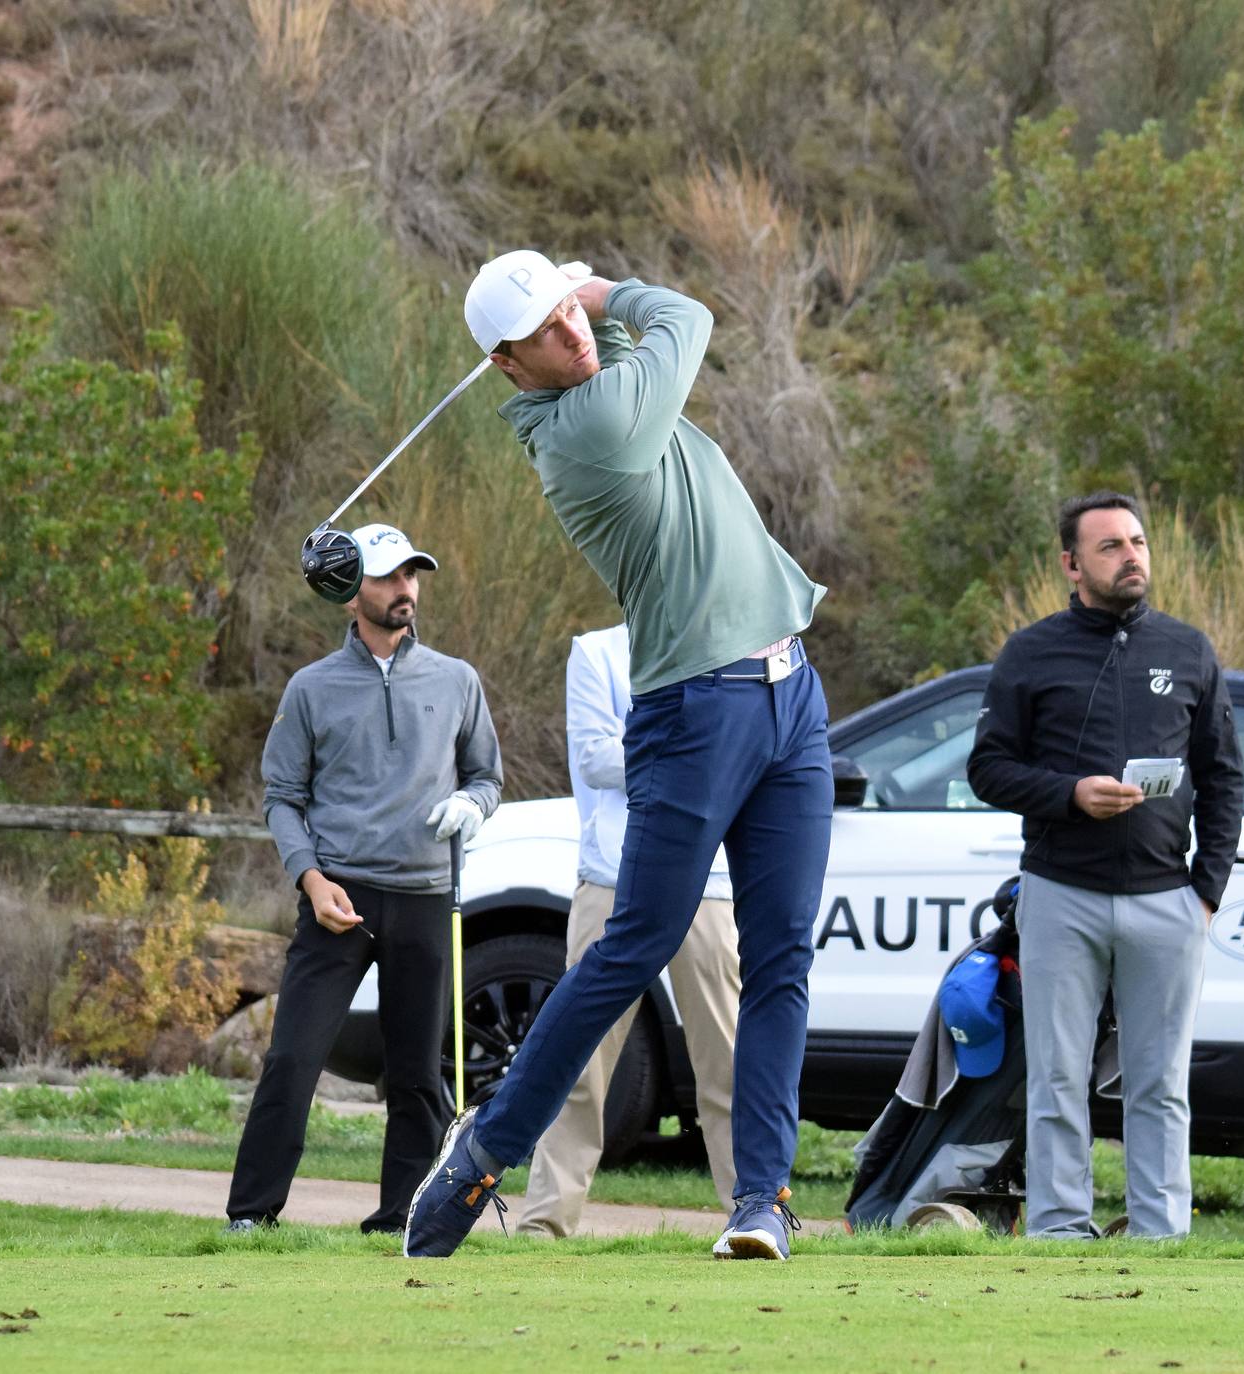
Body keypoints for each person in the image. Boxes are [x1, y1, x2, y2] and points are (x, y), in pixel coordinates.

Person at [405, 252, 829, 1261]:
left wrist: (573, 301)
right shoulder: (587, 432)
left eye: (569, 315)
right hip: (696, 712)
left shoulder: (607, 390)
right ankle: (483, 1153)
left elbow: (647, 344)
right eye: (548, 330)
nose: (572, 333)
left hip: (791, 695)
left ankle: (759, 1200)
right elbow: (682, 312)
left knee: (780, 957)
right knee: (632, 949)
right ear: (509, 367)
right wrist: (595, 289)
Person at [965, 491, 1244, 1239]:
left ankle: (1161, 1237)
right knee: (1057, 1077)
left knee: (1160, 1085)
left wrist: (1206, 892)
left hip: (1166, 900)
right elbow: (987, 769)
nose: (1131, 557)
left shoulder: (1188, 650)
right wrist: (1067, 794)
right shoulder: (1031, 651)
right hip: (1061, 893)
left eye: (1138, 542)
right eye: (1111, 547)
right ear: (1071, 564)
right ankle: (1058, 1232)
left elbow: (1222, 776)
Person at [226, 523, 502, 1234]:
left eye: (412, 575)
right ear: (353, 592)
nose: (405, 589)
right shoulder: (312, 688)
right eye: (388, 577)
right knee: (293, 1058)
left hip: (425, 897)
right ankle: (252, 1215)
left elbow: (486, 776)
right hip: (336, 896)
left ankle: (402, 1218)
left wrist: (472, 805)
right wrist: (311, 882)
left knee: (415, 1076)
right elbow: (282, 798)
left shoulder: (456, 679)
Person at [516, 624, 741, 1235]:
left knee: (725, 1057)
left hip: (707, 879)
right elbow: (596, 757)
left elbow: (740, 759)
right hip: (611, 876)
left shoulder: (726, 648)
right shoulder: (595, 652)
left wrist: (657, 749)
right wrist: (690, 753)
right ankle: (545, 1220)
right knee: (579, 1052)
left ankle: (754, 1212)